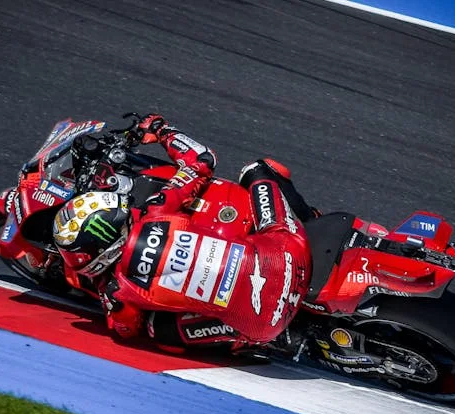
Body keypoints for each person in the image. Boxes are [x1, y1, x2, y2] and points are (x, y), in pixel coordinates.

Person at [54, 113, 318, 348]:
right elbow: (203, 159)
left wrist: (107, 296)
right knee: (257, 171)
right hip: (291, 253)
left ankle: (247, 342)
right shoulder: (157, 210)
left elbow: (126, 329)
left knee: (156, 329)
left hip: (265, 325)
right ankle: (312, 220)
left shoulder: (118, 291)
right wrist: (161, 129)